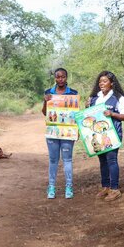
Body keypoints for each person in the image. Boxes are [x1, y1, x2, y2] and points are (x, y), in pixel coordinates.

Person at [86, 71, 124, 202]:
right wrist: (86, 106)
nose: (101, 84)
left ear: (112, 83)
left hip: (113, 134)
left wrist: (112, 113)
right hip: (97, 135)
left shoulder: (119, 98)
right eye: (100, 82)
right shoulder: (95, 98)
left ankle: (115, 189)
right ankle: (105, 187)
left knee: (112, 160)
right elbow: (89, 116)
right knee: (103, 161)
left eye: (104, 81)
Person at [42, 68, 78, 199]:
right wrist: (46, 101)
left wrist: (77, 130)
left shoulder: (73, 93)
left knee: (67, 159)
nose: (60, 79)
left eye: (63, 77)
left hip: (68, 132)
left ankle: (69, 186)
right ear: (55, 78)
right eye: (58, 77)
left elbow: (76, 114)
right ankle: (51, 186)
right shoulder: (48, 93)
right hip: (52, 131)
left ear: (67, 77)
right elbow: (45, 113)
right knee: (53, 160)